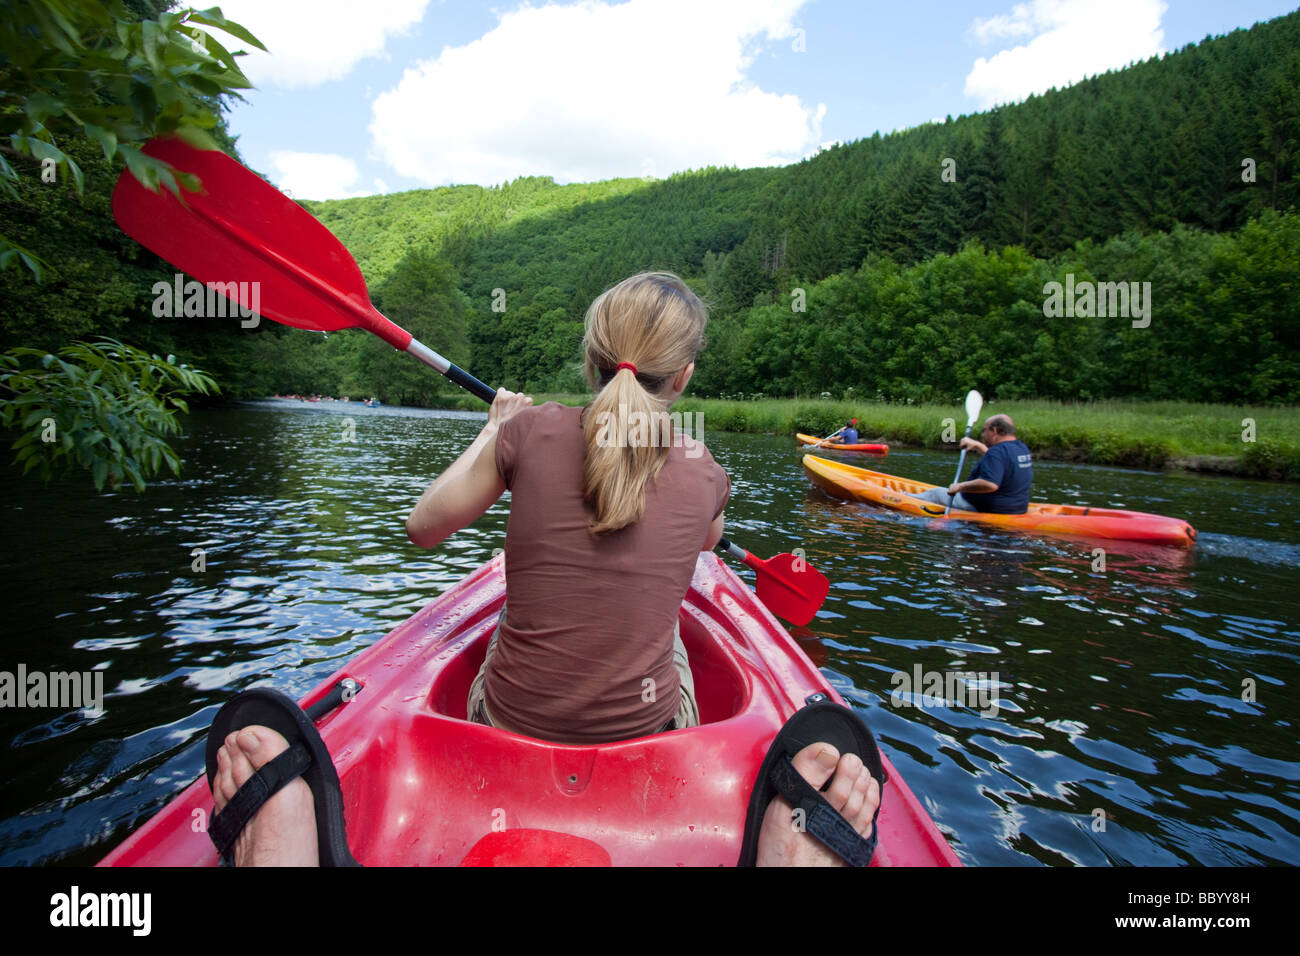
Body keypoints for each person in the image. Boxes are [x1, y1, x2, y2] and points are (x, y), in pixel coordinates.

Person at [405, 272, 729, 744]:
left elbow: (423, 527)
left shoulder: (529, 430)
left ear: (590, 361)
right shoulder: (705, 470)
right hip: (645, 730)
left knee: (511, 605)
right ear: (684, 374)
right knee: (670, 624)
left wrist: (495, 429)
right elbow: (707, 542)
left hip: (506, 721)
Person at [914, 413, 1033, 513]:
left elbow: (990, 484)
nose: (983, 435)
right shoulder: (1021, 448)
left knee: (936, 493)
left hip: (986, 507)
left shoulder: (996, 451)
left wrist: (960, 487)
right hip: (1017, 508)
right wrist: (978, 446)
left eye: (984, 430)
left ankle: (902, 497)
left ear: (994, 431)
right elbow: (1000, 462)